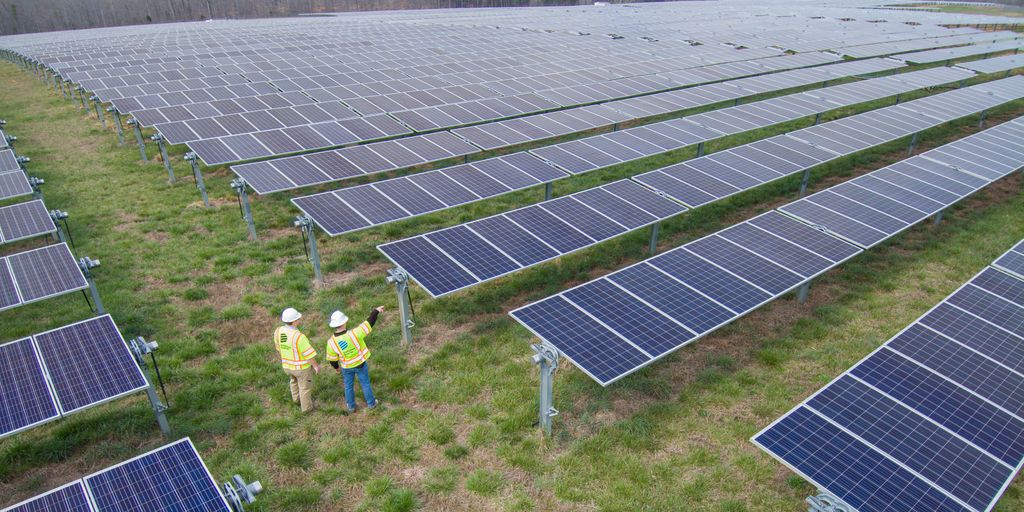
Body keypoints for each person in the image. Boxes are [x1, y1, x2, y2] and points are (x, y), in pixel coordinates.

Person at [326, 306, 383, 413]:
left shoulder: (331, 342)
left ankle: (351, 407)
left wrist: (336, 368)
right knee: (365, 384)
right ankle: (371, 403)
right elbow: (369, 323)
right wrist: (376, 311)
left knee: (348, 386)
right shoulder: (354, 333)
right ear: (344, 322)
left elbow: (332, 359)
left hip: (346, 367)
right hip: (360, 365)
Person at [274, 307, 320, 413]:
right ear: (294, 321)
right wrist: (316, 366)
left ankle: (296, 400)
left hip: (286, 366)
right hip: (301, 368)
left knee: (293, 381)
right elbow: (308, 355)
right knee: (304, 388)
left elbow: (278, 347)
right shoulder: (299, 337)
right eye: (298, 319)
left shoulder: (278, 331)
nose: (300, 320)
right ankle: (307, 409)